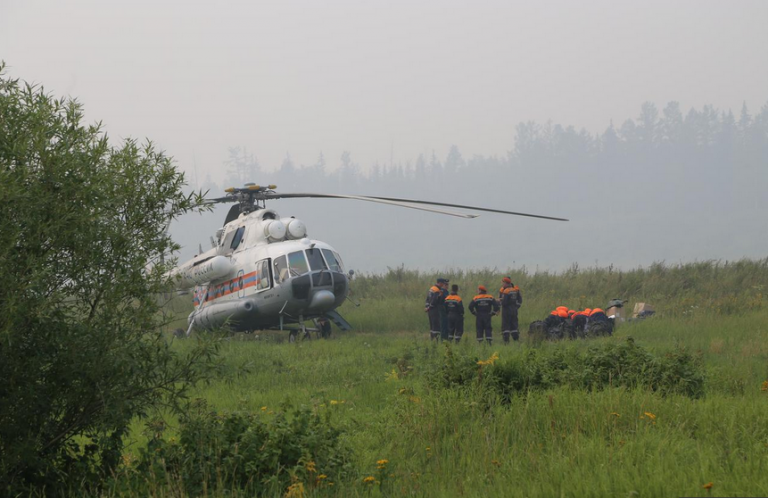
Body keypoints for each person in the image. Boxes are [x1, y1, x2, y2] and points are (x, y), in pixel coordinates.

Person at [498, 277, 523, 343]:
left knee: (505, 326)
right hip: (514, 310)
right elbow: (519, 300)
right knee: (514, 325)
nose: (502, 284)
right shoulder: (514, 290)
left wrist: (499, 301)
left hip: (506, 311)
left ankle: (506, 341)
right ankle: (516, 339)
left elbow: (504, 302)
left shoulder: (506, 291)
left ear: (506, 283)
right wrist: (516, 307)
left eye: (503, 283)